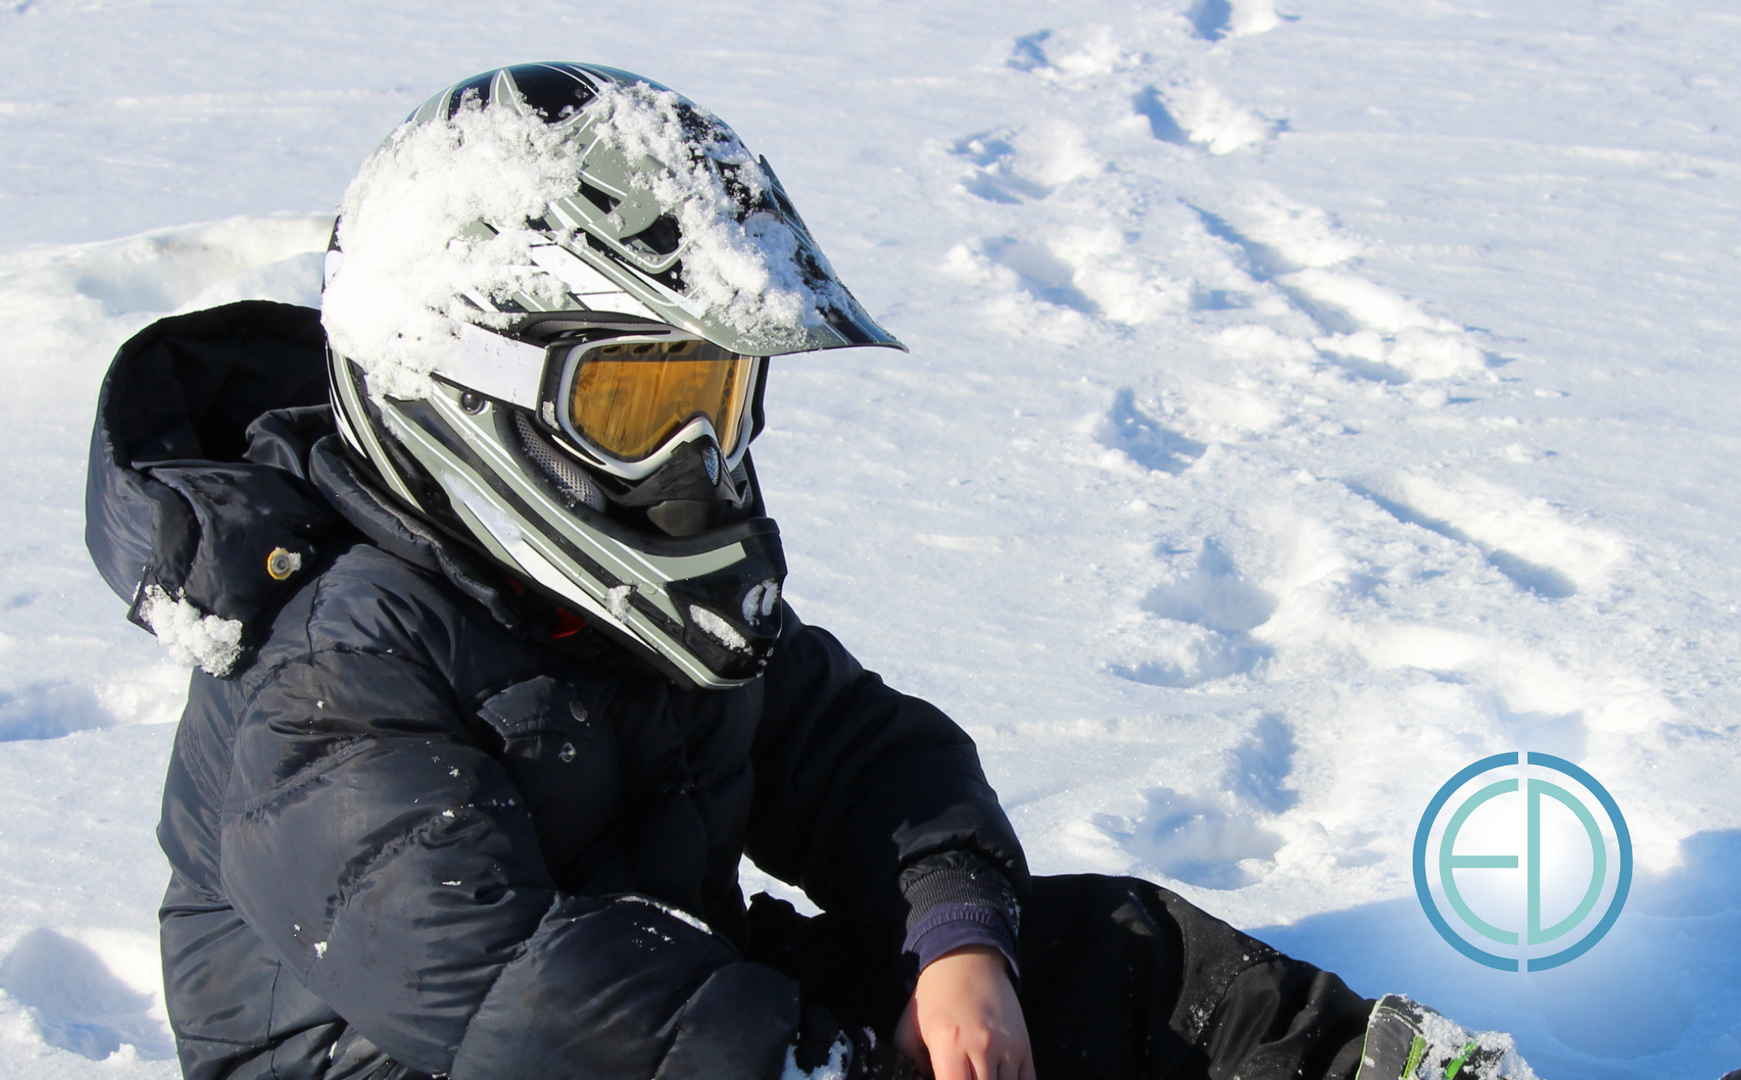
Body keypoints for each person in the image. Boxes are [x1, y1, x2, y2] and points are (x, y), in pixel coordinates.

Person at [85, 63, 1536, 1080]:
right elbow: (507, 989)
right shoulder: (330, 679)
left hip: (701, 1028)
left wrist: (955, 941)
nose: (698, 464)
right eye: (642, 413)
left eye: (716, 405)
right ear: (464, 389)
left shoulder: (635, 602)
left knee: (1101, 961)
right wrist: (811, 1062)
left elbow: (852, 751)